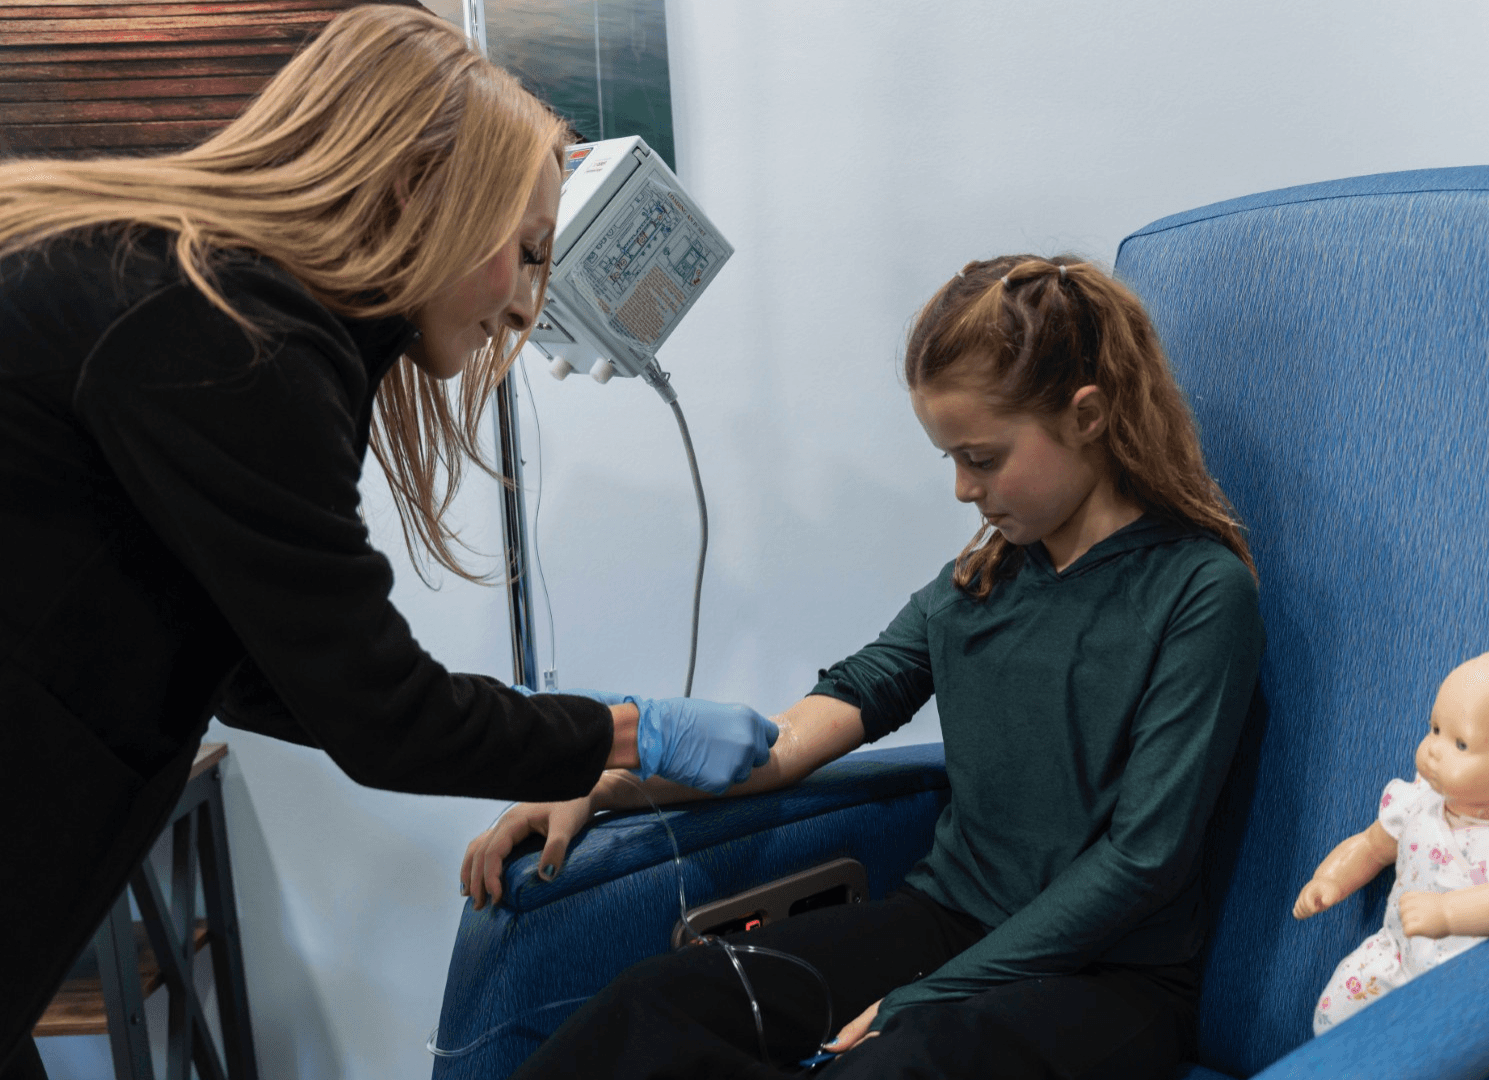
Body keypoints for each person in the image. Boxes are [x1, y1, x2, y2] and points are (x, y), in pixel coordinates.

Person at [0, 8, 774, 1078]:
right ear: (423, 192)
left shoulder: (204, 298)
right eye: (526, 251)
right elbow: (377, 715)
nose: (525, 304)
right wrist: (630, 733)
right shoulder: (233, 335)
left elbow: (267, 670)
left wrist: (578, 740)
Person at [459, 255, 1266, 1079]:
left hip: (1112, 979)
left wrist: (932, 996)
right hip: (945, 921)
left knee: (890, 1067)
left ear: (1087, 416)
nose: (961, 489)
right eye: (950, 458)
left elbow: (1143, 863)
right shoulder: (975, 587)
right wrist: (604, 787)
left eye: (982, 459)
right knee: (662, 1004)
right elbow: (785, 742)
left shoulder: (1198, 592)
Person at [1290, 650, 1489, 1033]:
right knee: (1333, 1018)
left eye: (1460, 744)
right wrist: (1330, 880)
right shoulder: (1416, 804)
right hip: (1390, 957)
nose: (1433, 748)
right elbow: (1371, 847)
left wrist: (1449, 913)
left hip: (1460, 991)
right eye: (1435, 728)